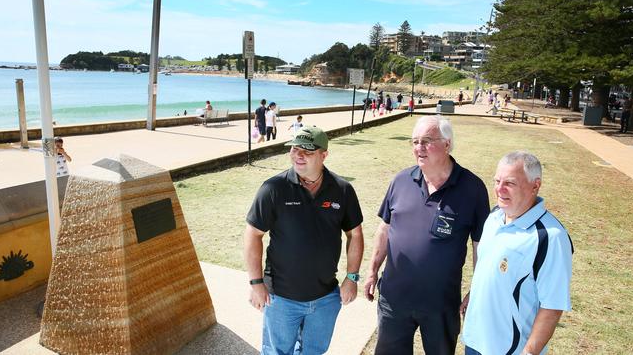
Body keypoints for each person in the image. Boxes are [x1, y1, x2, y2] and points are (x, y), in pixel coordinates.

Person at [364, 115, 490, 355]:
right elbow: (385, 229)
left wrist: (477, 288)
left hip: (441, 302)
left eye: (426, 141)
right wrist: (372, 271)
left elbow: (479, 244)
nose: (418, 148)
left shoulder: (472, 188)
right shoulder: (401, 180)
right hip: (394, 298)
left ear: (448, 144)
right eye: (414, 142)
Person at [244, 126, 365, 355]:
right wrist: (256, 283)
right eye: (294, 149)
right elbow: (253, 234)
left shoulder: (343, 190)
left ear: (324, 155)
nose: (298, 155)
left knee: (314, 352)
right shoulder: (273, 188)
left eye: (307, 151)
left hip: (325, 299)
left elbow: (354, 234)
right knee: (277, 352)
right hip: (280, 298)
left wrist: (351, 277)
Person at [462, 151, 573, 355]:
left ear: (535, 185)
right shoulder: (495, 216)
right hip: (474, 342)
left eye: (510, 183)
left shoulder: (550, 237)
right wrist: (474, 293)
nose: (499, 189)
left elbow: (552, 306)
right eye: (497, 181)